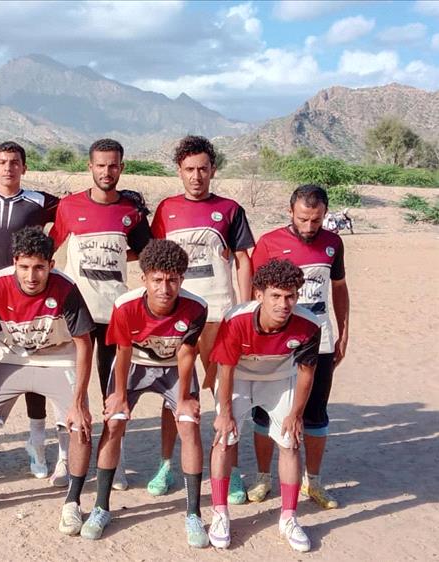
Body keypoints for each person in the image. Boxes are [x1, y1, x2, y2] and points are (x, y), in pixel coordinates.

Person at [0, 227, 95, 526]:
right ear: (15, 261)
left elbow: (84, 344)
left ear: (51, 265)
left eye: (39, 267)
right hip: (12, 355)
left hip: (58, 357)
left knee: (80, 425)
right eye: (25, 266)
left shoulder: (65, 288)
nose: (31, 276)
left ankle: (73, 502)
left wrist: (79, 401)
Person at [79, 239, 209, 545]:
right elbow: (122, 351)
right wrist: (119, 395)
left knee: (189, 425)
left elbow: (187, 353)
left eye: (172, 280)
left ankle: (193, 514)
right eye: (157, 280)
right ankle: (100, 507)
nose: (165, 288)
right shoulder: (126, 305)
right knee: (114, 422)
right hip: (135, 363)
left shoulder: (196, 307)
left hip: (173, 366)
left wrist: (184, 399)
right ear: (144, 279)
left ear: (182, 279)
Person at [150, 135, 254, 501]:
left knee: (225, 394)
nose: (197, 176)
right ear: (179, 171)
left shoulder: (230, 209)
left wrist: (245, 309)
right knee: (174, 392)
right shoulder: (166, 209)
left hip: (219, 314)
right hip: (177, 315)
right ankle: (166, 465)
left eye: (203, 169)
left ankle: (232, 470)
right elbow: (155, 261)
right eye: (190, 169)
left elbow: (243, 260)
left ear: (213, 170)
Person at [0, 141, 65, 485]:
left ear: (24, 167)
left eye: (15, 162)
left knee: (34, 370)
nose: (8, 168)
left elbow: (74, 209)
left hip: (26, 305)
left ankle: (37, 443)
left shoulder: (38, 201)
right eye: (2, 162)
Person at [49, 138, 152, 489]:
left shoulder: (131, 210)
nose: (107, 171)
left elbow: (146, 253)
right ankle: (65, 457)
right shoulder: (69, 206)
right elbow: (49, 248)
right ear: (90, 167)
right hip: (74, 313)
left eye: (113, 165)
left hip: (114, 314)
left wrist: (116, 255)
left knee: (113, 388)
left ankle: (114, 460)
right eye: (101, 165)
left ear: (122, 167)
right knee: (69, 386)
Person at [248, 184, 350, 509]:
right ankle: (263, 477)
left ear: (325, 214)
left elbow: (339, 288)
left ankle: (313, 481)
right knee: (265, 410)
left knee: (316, 412)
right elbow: (254, 294)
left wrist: (343, 332)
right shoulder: (269, 243)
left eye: (316, 220)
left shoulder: (333, 243)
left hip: (319, 339)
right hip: (276, 341)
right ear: (290, 211)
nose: (309, 226)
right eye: (303, 219)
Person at [209, 259, 320, 552]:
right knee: (224, 439)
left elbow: (306, 373)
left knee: (290, 442)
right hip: (239, 376)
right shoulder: (236, 319)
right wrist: (225, 413)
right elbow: (225, 369)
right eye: (275, 296)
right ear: (259, 294)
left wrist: (296, 414)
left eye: (290, 296)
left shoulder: (309, 324)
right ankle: (220, 512)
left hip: (280, 378)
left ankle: (289, 517)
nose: (284, 304)